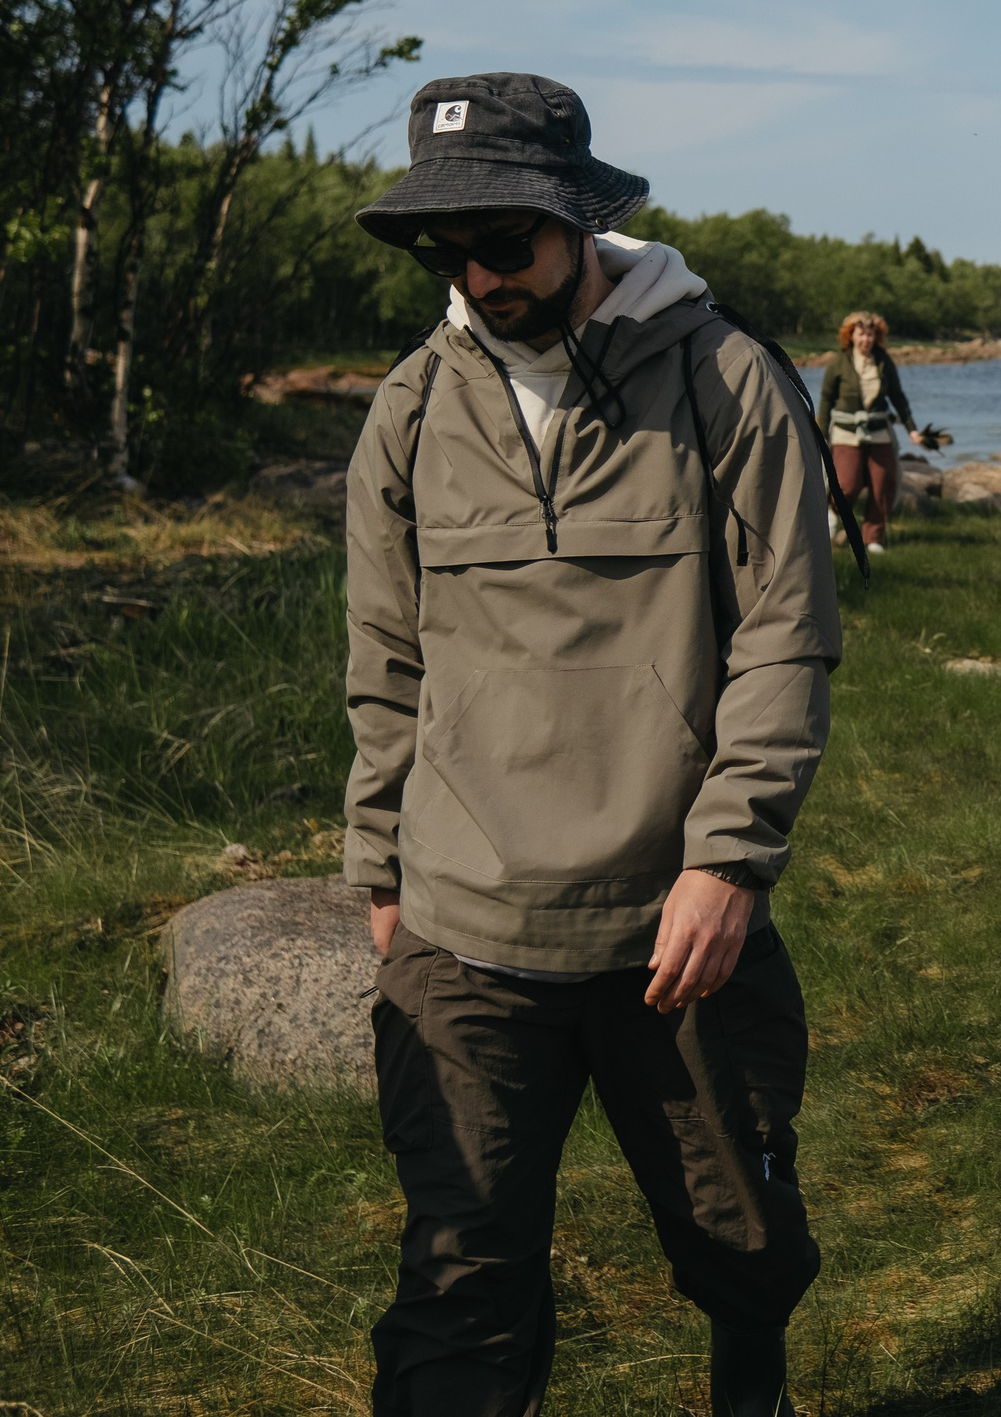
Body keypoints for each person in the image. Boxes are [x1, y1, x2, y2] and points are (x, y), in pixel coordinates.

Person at [341, 73, 840, 1417]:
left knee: (743, 1242)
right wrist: (380, 870)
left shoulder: (726, 378)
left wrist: (728, 862)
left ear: (578, 221)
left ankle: (752, 1382)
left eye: (506, 243)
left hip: (670, 926)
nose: (478, 278)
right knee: (458, 1278)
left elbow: (785, 640)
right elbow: (384, 665)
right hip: (460, 927)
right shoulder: (410, 409)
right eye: (449, 253)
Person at [811, 310, 923, 552]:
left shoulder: (884, 361)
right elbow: (826, 400)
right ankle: (833, 513)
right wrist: (822, 435)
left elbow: (898, 397)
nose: (866, 339)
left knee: (883, 483)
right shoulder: (839, 363)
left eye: (870, 335)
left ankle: (872, 538)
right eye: (861, 334)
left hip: (879, 432)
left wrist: (912, 430)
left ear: (876, 336)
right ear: (851, 336)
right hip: (846, 432)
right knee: (847, 485)